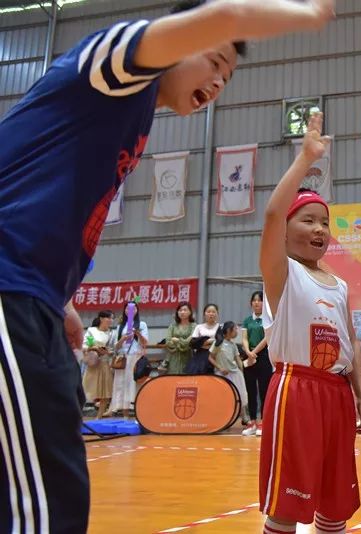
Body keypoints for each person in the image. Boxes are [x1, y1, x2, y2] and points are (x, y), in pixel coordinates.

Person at [0, 1, 336, 530]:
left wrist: (61, 298)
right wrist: (308, 14)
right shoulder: (107, 66)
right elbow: (222, 13)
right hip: (9, 290)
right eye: (217, 60)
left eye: (229, 75)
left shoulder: (125, 115)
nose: (220, 81)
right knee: (44, 501)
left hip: (32, 293)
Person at [258, 113, 361, 534]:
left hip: (337, 393)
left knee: (334, 503)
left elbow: (353, 344)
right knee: (288, 504)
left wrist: (360, 394)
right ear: (285, 233)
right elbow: (270, 214)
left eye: (324, 222)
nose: (319, 229)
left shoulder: (339, 284)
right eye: (308, 220)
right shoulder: (282, 272)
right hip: (295, 388)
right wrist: (305, 160)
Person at [241, 290, 273, 436]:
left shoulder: (268, 319)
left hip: (264, 356)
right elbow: (244, 338)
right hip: (249, 357)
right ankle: (252, 422)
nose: (256, 302)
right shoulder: (247, 320)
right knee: (251, 390)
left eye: (259, 300)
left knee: (264, 390)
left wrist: (256, 352)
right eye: (254, 300)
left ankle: (263, 422)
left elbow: (267, 338)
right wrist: (248, 352)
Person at [109, 301, 148, 419]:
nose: (130, 311)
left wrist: (138, 334)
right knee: (121, 385)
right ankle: (124, 415)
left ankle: (137, 414)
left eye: (133, 309)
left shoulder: (142, 324)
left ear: (137, 310)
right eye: (128, 309)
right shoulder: (120, 326)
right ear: (124, 311)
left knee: (133, 384)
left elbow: (145, 343)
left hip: (135, 358)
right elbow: (116, 346)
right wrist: (122, 339)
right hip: (123, 359)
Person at [209, 321, 249, 428]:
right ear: (228, 330)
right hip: (222, 375)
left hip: (235, 374)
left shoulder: (233, 345)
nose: (237, 331)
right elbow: (210, 358)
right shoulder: (218, 343)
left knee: (241, 395)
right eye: (235, 329)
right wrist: (220, 368)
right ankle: (223, 419)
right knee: (223, 397)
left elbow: (237, 359)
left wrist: (242, 371)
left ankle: (245, 417)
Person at [81, 310, 116, 419]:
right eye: (108, 318)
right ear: (101, 318)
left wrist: (109, 352)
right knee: (87, 388)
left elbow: (113, 349)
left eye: (112, 318)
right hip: (93, 363)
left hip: (105, 363)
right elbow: (84, 345)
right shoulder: (92, 330)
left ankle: (99, 417)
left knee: (105, 392)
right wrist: (94, 348)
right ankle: (78, 413)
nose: (111, 320)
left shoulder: (112, 333)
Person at [186, 304, 220, 375]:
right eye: (208, 312)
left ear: (217, 314)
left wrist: (202, 342)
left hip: (216, 355)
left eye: (213, 312)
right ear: (204, 314)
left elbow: (220, 342)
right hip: (200, 356)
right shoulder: (199, 327)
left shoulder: (220, 327)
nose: (211, 314)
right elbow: (193, 343)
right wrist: (211, 341)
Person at [164, 302, 196, 374]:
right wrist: (183, 343)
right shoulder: (172, 326)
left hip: (188, 357)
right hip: (173, 358)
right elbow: (168, 342)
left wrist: (177, 340)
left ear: (190, 312)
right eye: (180, 310)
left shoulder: (194, 326)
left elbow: (190, 342)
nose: (182, 312)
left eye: (185, 310)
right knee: (173, 380)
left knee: (187, 381)